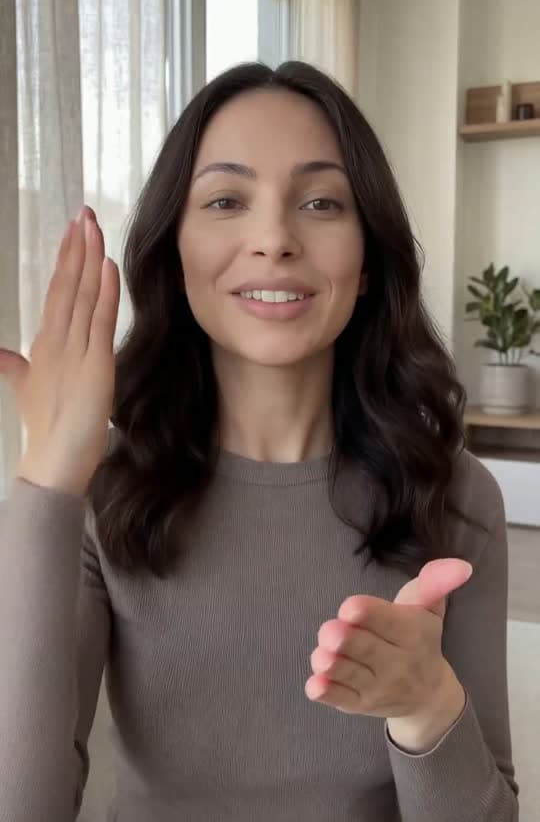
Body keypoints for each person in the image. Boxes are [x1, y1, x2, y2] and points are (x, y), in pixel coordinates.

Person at [0, 61, 519, 822]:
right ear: (176, 254)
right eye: (225, 201)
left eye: (321, 202)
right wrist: (47, 487)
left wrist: (427, 707)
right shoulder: (100, 492)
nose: (274, 239)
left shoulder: (458, 495)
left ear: (367, 262)